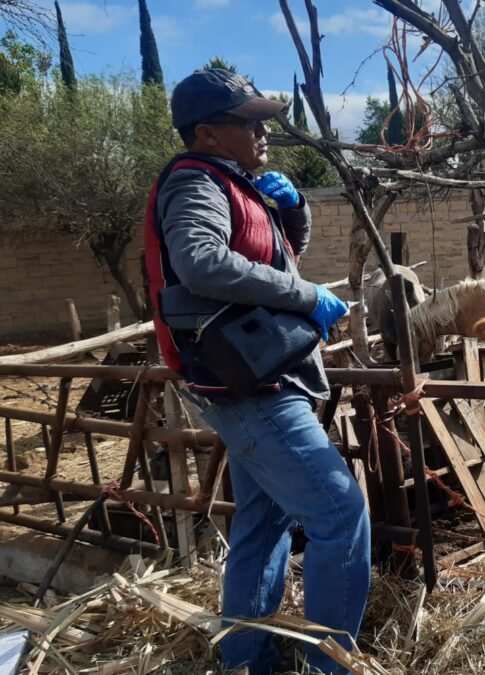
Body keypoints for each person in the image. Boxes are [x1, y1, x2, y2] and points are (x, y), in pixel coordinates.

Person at [143, 68, 370, 674]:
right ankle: (330, 665)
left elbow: (279, 258)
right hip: (251, 385)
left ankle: (245, 660)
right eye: (250, 122)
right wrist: (305, 299)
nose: (264, 130)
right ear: (209, 133)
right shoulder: (195, 183)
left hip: (256, 377)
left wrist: (293, 212)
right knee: (339, 512)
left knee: (263, 522)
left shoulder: (234, 183)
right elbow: (202, 263)